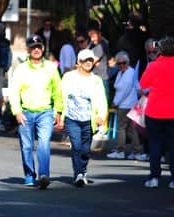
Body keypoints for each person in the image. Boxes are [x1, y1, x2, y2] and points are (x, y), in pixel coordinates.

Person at [9, 35, 64, 189]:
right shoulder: (21, 69)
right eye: (33, 47)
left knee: (44, 144)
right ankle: (29, 175)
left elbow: (57, 91)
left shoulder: (51, 68)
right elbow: (14, 92)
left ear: (43, 48)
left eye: (39, 47)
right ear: (28, 49)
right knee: (26, 146)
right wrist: (17, 111)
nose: (36, 50)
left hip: (45, 112)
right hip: (26, 112)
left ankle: (44, 174)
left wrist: (58, 111)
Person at [60, 49, 108, 186]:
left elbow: (101, 100)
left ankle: (83, 169)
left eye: (90, 60)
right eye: (85, 60)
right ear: (79, 62)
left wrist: (101, 116)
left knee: (86, 150)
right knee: (76, 146)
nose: (88, 63)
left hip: (89, 120)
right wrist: (59, 114)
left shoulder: (96, 80)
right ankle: (78, 174)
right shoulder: (68, 77)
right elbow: (61, 95)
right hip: (72, 118)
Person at [138, 36, 174, 189]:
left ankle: (154, 177)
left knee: (155, 144)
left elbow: (143, 84)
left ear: (160, 50)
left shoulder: (154, 66)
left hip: (156, 110)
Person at [106, 53, 144, 161]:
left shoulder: (129, 73)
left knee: (121, 128)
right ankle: (137, 151)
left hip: (126, 104)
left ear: (128, 63)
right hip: (128, 104)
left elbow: (125, 90)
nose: (121, 65)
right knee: (132, 129)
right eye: (119, 63)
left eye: (124, 63)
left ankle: (120, 150)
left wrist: (115, 102)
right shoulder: (122, 73)